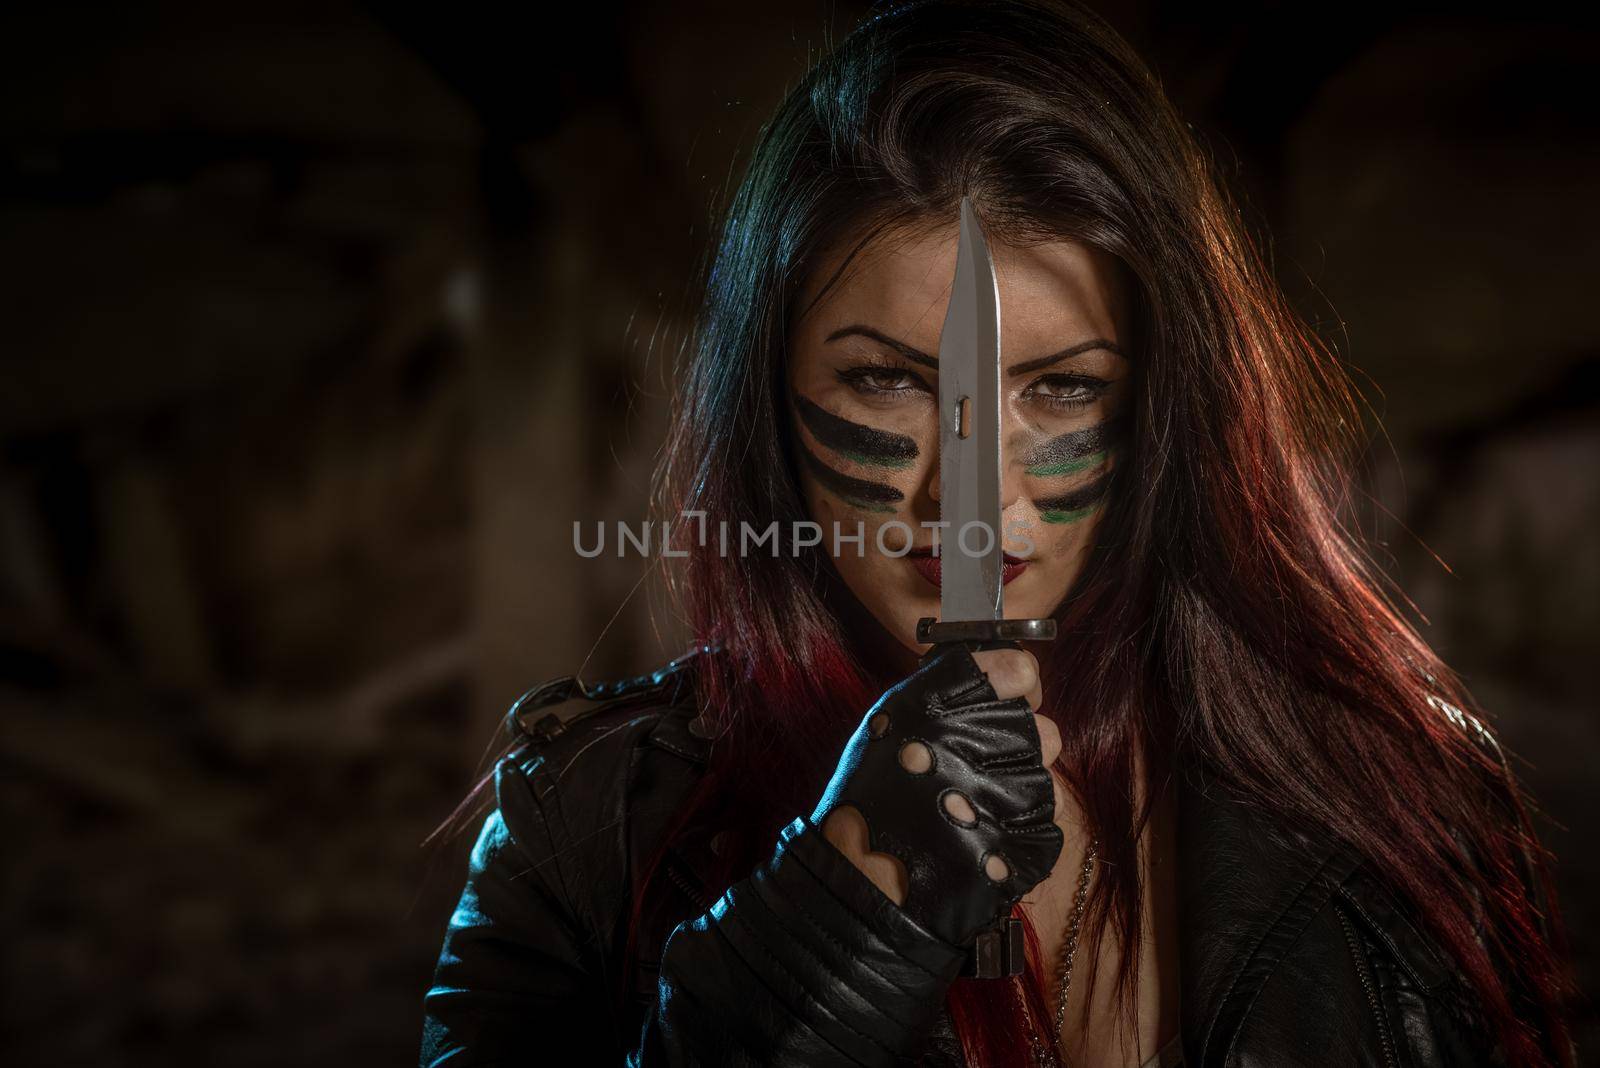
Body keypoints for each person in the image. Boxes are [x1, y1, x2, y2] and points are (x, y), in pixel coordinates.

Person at [419, 1, 1574, 1065]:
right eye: (883, 383)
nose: (968, 495)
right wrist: (837, 910)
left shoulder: (1400, 798)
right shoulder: (579, 829)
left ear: (1169, 413)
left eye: (1064, 389)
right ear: (765, 402)